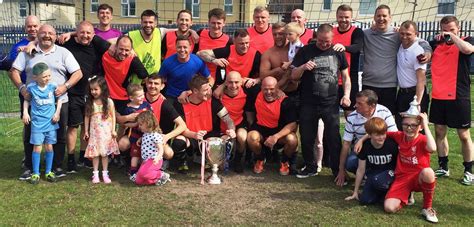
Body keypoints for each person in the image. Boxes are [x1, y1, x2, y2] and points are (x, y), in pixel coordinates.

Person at [10, 24, 83, 179]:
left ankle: (56, 167)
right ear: (38, 35)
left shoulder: (64, 53)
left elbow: (78, 73)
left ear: (55, 36)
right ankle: (29, 168)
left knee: (59, 134)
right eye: (43, 33)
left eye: (50, 33)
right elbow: (14, 71)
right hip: (34, 102)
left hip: (59, 102)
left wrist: (65, 86)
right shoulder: (29, 51)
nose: (47, 36)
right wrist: (22, 88)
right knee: (30, 134)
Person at [291, 23, 351, 178]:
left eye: (327, 41)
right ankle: (310, 167)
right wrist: (303, 67)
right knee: (306, 136)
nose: (324, 44)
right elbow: (293, 76)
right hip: (308, 101)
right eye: (321, 41)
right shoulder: (306, 51)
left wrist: (346, 95)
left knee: (333, 137)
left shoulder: (338, 52)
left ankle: (337, 170)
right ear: (316, 37)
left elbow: (345, 77)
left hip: (330, 102)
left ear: (332, 38)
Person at [360, 113, 438, 223]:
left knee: (428, 172)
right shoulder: (399, 136)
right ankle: (407, 196)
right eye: (405, 124)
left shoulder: (423, 139)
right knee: (389, 208)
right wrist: (361, 139)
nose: (409, 128)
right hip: (402, 178)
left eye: (413, 125)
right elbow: (377, 132)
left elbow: (433, 148)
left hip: (419, 177)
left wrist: (425, 123)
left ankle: (427, 208)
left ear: (420, 127)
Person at [361, 4, 431, 114]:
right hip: (369, 84)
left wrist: (427, 51)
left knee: (386, 119)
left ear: (390, 17)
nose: (381, 18)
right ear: (374, 18)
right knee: (368, 117)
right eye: (378, 16)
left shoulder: (397, 34)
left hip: (389, 86)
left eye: (384, 15)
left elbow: (420, 41)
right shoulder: (366, 34)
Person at [61, 21, 111, 173]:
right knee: (73, 126)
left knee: (87, 126)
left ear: (93, 34)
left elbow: (113, 45)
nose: (85, 36)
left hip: (90, 93)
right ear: (77, 32)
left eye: (88, 33)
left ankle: (83, 156)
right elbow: (47, 37)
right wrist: (70, 34)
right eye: (82, 32)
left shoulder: (96, 45)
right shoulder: (66, 42)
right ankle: (70, 158)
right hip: (73, 92)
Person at [429, 16, 474, 185]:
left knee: (463, 135)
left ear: (458, 29)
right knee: (440, 132)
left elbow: (468, 49)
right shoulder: (435, 44)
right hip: (439, 95)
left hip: (459, 95)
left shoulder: (466, 40)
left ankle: (469, 170)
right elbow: (421, 46)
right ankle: (443, 166)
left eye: (452, 29)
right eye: (445, 30)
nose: (447, 33)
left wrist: (452, 37)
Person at [173, 75, 235, 173]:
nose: (209, 92)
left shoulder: (213, 101)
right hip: (191, 135)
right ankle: (182, 162)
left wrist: (232, 130)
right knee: (178, 141)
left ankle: (209, 160)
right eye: (205, 90)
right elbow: (181, 128)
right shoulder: (181, 104)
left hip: (209, 136)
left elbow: (228, 120)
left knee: (224, 139)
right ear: (195, 91)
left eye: (209, 88)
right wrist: (194, 135)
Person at [335, 90, 397, 186]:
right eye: (356, 102)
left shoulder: (384, 112)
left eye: (360, 103)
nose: (355, 105)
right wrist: (341, 169)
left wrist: (362, 139)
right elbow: (346, 144)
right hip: (363, 150)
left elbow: (394, 134)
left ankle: (387, 176)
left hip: (382, 149)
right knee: (350, 163)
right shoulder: (352, 117)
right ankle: (367, 176)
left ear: (372, 106)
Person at [7, 15, 40, 172]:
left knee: (48, 126)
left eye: (35, 26)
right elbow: (11, 71)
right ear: (25, 28)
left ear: (40, 26)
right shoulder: (18, 47)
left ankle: (48, 157)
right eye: (29, 26)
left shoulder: (46, 42)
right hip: (27, 94)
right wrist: (22, 88)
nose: (33, 29)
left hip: (45, 94)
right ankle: (28, 157)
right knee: (29, 125)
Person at [247, 77, 298, 175]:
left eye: (272, 89)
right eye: (265, 89)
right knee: (251, 137)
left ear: (277, 88)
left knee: (292, 140)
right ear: (261, 88)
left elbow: (293, 124)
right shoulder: (255, 92)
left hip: (279, 134)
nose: (268, 92)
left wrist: (276, 137)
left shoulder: (286, 101)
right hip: (261, 131)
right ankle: (260, 159)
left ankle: (284, 161)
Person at [22, 62, 63, 184]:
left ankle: (49, 172)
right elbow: (26, 100)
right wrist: (25, 112)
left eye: (49, 75)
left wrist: (57, 113)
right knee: (37, 148)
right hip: (37, 124)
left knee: (49, 146)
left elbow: (60, 99)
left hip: (50, 123)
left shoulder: (53, 86)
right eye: (44, 76)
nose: (47, 78)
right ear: (35, 77)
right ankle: (35, 173)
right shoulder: (31, 88)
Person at [345, 117, 398, 204]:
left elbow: (399, 165)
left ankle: (389, 193)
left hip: (389, 173)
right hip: (373, 174)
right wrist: (355, 191)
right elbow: (360, 169)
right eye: (377, 135)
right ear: (369, 135)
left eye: (383, 134)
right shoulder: (365, 146)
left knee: (379, 181)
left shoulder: (391, 144)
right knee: (365, 200)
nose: (381, 137)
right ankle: (382, 196)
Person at [83, 76, 119, 184]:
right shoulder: (90, 102)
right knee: (95, 154)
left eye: (96, 89)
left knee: (104, 154)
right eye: (91, 90)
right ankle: (95, 174)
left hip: (106, 133)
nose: (93, 92)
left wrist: (113, 130)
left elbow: (113, 116)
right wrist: (86, 131)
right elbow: (87, 117)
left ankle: (105, 173)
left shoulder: (109, 102)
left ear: (102, 88)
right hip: (94, 134)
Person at [102, 35, 149, 115]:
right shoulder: (106, 51)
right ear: (116, 46)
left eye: (127, 50)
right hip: (105, 94)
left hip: (122, 96)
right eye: (121, 49)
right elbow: (94, 37)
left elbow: (144, 75)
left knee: (124, 123)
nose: (123, 53)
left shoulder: (133, 60)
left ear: (131, 50)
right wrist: (72, 34)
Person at [145, 75, 184, 170]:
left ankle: (163, 160)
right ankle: (126, 159)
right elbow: (119, 117)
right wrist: (126, 118)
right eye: (150, 83)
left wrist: (167, 137)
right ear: (146, 84)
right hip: (138, 136)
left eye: (156, 83)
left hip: (156, 138)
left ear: (162, 86)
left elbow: (182, 125)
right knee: (123, 143)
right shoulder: (138, 98)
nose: (152, 86)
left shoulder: (166, 104)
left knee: (169, 153)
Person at [158, 36, 212, 104]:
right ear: (175, 47)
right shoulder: (167, 63)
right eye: (179, 47)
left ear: (190, 48)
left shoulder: (197, 61)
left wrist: (190, 92)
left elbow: (210, 79)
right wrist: (159, 94)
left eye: (185, 47)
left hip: (191, 95)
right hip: (172, 96)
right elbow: (159, 80)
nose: (182, 50)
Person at [197, 29, 261, 86]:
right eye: (241, 43)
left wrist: (255, 81)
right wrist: (214, 60)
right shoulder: (228, 50)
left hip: (245, 85)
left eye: (247, 43)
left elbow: (264, 76)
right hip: (227, 85)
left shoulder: (255, 54)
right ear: (234, 42)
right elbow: (200, 53)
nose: (245, 46)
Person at [396, 20, 429, 129]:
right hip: (402, 93)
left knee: (417, 129)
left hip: (415, 94)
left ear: (416, 34)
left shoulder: (418, 51)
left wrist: (417, 103)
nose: (404, 37)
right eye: (402, 33)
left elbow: (421, 80)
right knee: (401, 127)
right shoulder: (400, 46)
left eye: (408, 34)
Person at [220, 71, 255, 173]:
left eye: (236, 82)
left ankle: (238, 159)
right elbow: (200, 90)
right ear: (225, 83)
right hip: (222, 126)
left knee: (242, 136)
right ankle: (222, 158)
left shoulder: (247, 93)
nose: (233, 85)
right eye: (230, 82)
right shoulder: (218, 94)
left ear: (241, 82)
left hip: (239, 123)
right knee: (221, 168)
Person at [332, 4, 363, 118]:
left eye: (346, 17)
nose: (343, 20)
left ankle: (353, 135)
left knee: (350, 113)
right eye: (341, 17)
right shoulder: (331, 31)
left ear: (351, 18)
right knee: (331, 115)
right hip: (331, 81)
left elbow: (357, 47)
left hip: (349, 79)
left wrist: (344, 47)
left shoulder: (357, 32)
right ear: (337, 17)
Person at [127, 10, 173, 84]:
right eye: (145, 22)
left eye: (151, 22)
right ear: (141, 23)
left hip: (154, 82)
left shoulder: (160, 32)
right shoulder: (131, 36)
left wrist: (191, 31)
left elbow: (179, 30)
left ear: (156, 23)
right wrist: (128, 49)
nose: (148, 25)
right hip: (136, 84)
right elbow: (113, 41)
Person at [119, 84, 152, 179]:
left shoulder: (146, 105)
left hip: (146, 134)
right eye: (139, 96)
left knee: (145, 152)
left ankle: (145, 168)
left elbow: (151, 118)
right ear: (131, 98)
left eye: (142, 95)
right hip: (134, 134)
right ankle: (132, 169)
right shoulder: (128, 109)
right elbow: (125, 124)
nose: (142, 97)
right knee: (135, 152)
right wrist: (134, 124)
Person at [135, 110, 171, 186]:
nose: (139, 126)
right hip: (146, 160)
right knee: (138, 181)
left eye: (141, 124)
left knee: (143, 173)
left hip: (153, 160)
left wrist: (157, 158)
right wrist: (140, 139)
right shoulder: (146, 134)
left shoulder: (155, 135)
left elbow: (161, 149)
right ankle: (155, 180)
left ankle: (161, 175)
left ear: (148, 123)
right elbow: (146, 138)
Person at [194, 8, 232, 80]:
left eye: (219, 23)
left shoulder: (228, 41)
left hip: (217, 77)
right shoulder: (200, 33)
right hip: (198, 76)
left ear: (224, 23)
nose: (216, 26)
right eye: (213, 23)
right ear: (208, 22)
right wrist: (191, 31)